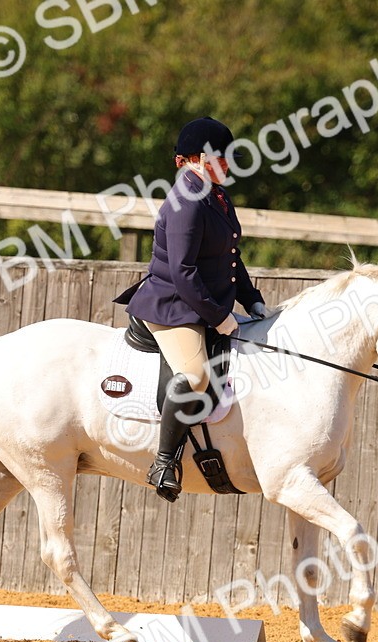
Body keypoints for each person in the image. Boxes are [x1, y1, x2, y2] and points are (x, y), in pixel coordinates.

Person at [115, 117, 269, 502]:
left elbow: (231, 258)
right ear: (202, 158)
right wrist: (220, 316)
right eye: (225, 157)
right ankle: (164, 462)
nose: (231, 164)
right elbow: (183, 271)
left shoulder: (215, 194)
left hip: (200, 303)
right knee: (197, 375)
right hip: (172, 306)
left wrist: (251, 299)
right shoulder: (186, 198)